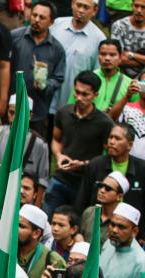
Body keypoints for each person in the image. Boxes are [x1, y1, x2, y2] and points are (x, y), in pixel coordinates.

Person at [44, 72, 115, 215]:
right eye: (77, 92)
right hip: (60, 178)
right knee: (47, 220)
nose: (79, 98)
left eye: (85, 94)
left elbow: (108, 156)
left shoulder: (104, 123)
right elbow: (56, 139)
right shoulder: (63, 112)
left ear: (95, 95)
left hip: (85, 184)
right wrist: (59, 156)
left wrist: (84, 164)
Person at [10, 1, 65, 136]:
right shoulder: (14, 37)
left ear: (51, 22)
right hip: (12, 107)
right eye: (34, 15)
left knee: (34, 149)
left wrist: (45, 85)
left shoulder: (57, 49)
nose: (36, 20)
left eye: (42, 17)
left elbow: (58, 78)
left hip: (38, 111)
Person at [49, 0, 105, 125]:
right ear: (72, 4)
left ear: (95, 10)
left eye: (86, 7)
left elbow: (96, 75)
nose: (80, 10)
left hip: (73, 107)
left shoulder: (98, 39)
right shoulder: (56, 25)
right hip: (45, 100)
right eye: (78, 5)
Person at [0, 96, 49, 201]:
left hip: (24, 198)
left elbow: (42, 181)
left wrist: (37, 208)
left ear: (29, 116)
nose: (15, 117)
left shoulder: (40, 144)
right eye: (11, 112)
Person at [75, 123, 145, 213]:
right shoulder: (95, 165)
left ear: (130, 145)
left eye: (117, 138)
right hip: (99, 222)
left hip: (131, 225)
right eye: (110, 137)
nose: (111, 142)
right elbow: (82, 200)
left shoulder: (142, 169)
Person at [102, 202, 145, 278]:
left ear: (134, 231)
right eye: (112, 224)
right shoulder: (109, 243)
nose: (114, 230)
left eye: (121, 227)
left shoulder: (141, 263)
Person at [78, 39, 136, 121]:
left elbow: (136, 116)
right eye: (103, 54)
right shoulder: (85, 80)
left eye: (112, 55)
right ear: (98, 56)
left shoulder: (130, 85)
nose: (107, 58)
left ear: (120, 57)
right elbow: (72, 108)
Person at [19, 204, 67, 278]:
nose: (15, 229)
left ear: (36, 233)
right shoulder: (8, 251)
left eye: (21, 226)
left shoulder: (54, 261)